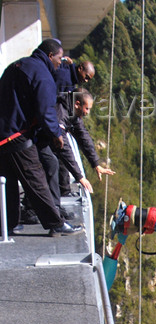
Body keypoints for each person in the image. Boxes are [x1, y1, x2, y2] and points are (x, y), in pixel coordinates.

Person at [0, 39, 82, 236]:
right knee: (35, 177)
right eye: (59, 58)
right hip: (16, 135)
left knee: (8, 180)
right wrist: (55, 134)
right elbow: (46, 111)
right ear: (50, 56)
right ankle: (56, 223)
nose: (60, 63)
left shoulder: (17, 65)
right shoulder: (43, 75)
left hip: (3, 133)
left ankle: (8, 224)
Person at [55, 90, 115, 191]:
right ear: (77, 104)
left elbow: (83, 137)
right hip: (39, 141)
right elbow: (64, 147)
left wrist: (96, 164)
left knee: (63, 178)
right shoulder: (61, 114)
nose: (87, 112)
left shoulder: (72, 112)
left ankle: (62, 193)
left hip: (51, 143)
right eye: (86, 108)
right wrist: (80, 177)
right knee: (51, 166)